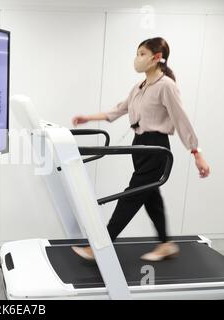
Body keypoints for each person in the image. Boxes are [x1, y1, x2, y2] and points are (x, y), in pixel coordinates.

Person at [71, 37, 210, 261]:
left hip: (156, 148)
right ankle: (166, 244)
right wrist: (87, 117)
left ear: (156, 58)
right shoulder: (139, 87)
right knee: (150, 196)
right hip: (140, 147)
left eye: (142, 54)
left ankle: (99, 246)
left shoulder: (166, 86)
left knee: (131, 196)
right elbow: (117, 111)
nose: (137, 59)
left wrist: (197, 154)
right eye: (137, 53)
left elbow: (181, 120)